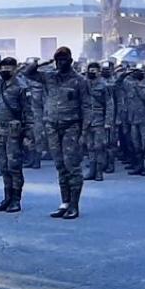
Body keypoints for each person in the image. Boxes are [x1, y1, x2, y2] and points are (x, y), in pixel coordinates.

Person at [25, 47, 90, 220]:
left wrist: (84, 132)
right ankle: (65, 203)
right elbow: (28, 73)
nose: (61, 63)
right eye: (58, 60)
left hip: (71, 126)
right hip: (52, 126)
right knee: (60, 165)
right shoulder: (50, 77)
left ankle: (74, 205)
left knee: (72, 166)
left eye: (64, 60)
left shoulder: (79, 81)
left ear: (70, 61)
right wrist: (44, 62)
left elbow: (86, 107)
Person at [0, 57, 31, 212]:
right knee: (3, 166)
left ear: (15, 69)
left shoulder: (21, 87)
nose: (4, 71)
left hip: (14, 131)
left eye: (8, 68)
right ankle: (7, 198)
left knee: (14, 166)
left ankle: (16, 199)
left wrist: (28, 134)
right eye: (2, 68)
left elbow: (28, 111)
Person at [83, 63, 114, 182]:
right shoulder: (84, 84)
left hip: (99, 119)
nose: (92, 72)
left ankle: (99, 172)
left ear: (99, 72)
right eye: (90, 70)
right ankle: (91, 171)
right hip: (87, 120)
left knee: (99, 147)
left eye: (94, 70)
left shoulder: (104, 85)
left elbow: (110, 104)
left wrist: (108, 121)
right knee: (90, 147)